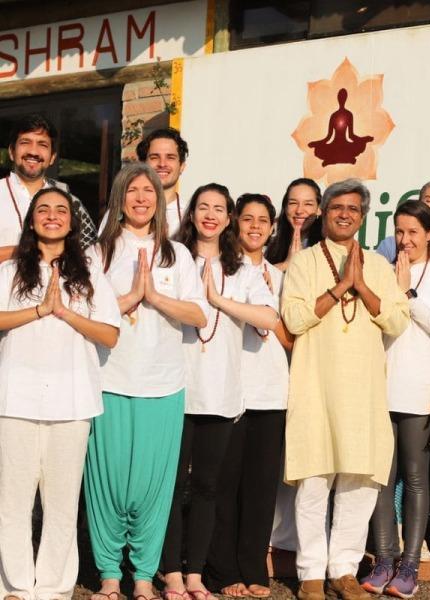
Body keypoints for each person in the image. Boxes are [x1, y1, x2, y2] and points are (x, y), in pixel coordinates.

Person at [281, 178, 410, 600]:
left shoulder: (378, 266)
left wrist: (362, 285)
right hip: (316, 386)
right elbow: (295, 319)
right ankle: (310, 572)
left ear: (363, 216)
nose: (345, 214)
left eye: (354, 209)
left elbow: (397, 320)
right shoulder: (304, 263)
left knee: (359, 482)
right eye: (337, 207)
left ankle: (344, 569)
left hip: (363, 391)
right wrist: (340, 287)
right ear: (323, 212)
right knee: (314, 479)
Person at [84, 163, 208, 600]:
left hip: (163, 384)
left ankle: (142, 576)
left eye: (148, 191)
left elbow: (199, 314)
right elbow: (85, 314)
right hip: (109, 380)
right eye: (132, 190)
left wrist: (154, 296)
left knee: (152, 489)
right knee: (108, 483)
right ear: (120, 198)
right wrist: (130, 298)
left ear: (159, 199)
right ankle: (109, 575)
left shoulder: (178, 254)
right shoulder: (98, 252)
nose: (141, 198)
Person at [0, 187, 120, 600]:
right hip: (15, 399)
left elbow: (110, 334)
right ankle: (15, 586)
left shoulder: (90, 274)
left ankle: (53, 588)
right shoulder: (10, 270)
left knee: (62, 503)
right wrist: (38, 310)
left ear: (72, 223)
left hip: (72, 400)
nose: (52, 216)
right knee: (13, 500)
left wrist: (65, 312)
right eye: (43, 209)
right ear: (32, 220)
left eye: (61, 211)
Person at [162, 184, 278, 600]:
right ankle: (170, 572)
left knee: (208, 487)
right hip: (174, 388)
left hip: (220, 393)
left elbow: (268, 318)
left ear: (229, 219)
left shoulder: (242, 269)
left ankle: (196, 574)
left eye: (218, 209)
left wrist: (217, 300)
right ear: (191, 214)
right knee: (171, 486)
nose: (210, 215)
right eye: (203, 207)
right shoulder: (173, 258)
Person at [361, 201, 430, 597]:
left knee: (416, 478)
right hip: (378, 385)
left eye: (413, 232)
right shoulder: (381, 271)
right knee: (380, 478)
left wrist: (409, 294)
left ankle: (410, 565)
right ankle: (384, 559)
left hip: (418, 389)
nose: (405, 240)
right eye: (399, 232)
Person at [202, 193, 293, 598]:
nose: (255, 227)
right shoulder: (220, 270)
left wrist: (268, 307)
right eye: (247, 219)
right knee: (225, 486)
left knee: (260, 488)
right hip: (230, 390)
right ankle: (222, 571)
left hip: (270, 391)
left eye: (263, 220)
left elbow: (289, 336)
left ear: (273, 228)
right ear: (234, 223)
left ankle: (254, 567)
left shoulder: (281, 277)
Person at [0, 114, 97, 262]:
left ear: (52, 157)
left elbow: (90, 257)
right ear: (11, 152)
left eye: (42, 145)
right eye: (25, 142)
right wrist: (27, 251)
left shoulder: (71, 203)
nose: (33, 152)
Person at [265, 178, 323, 272]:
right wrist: (286, 264)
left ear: (319, 209)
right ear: (285, 207)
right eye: (293, 203)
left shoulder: (326, 246)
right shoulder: (269, 243)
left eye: (308, 204)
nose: (299, 211)